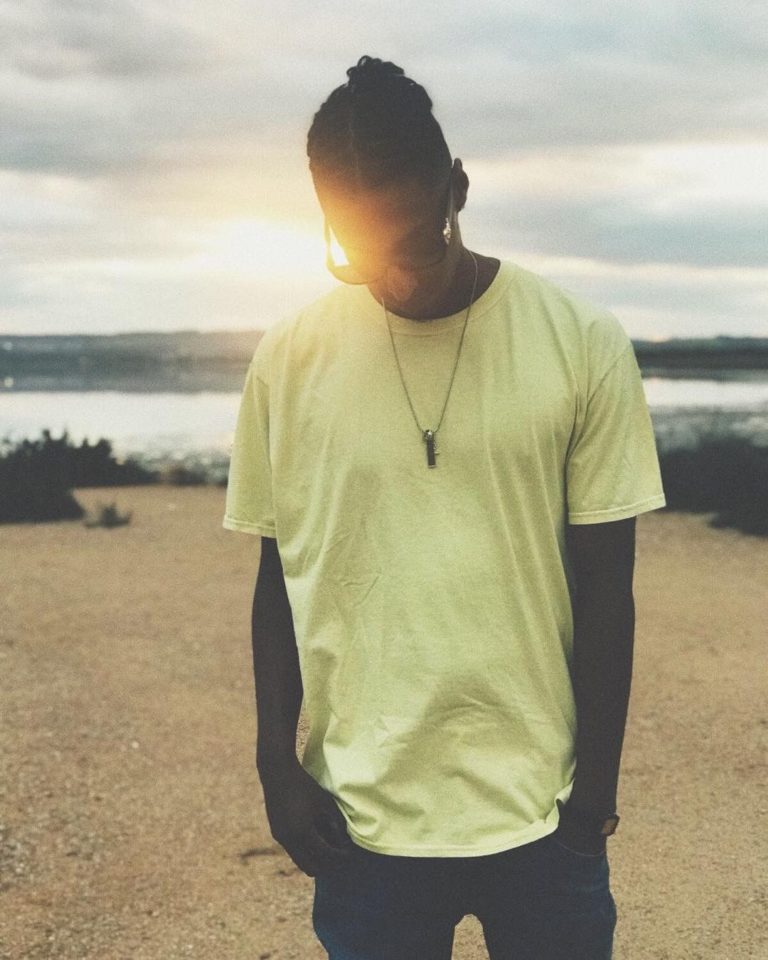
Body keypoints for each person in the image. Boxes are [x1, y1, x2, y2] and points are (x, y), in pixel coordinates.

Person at [223, 55, 666, 960]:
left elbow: (607, 593)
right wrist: (275, 764)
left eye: (415, 243)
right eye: (358, 253)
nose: (397, 276)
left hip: (541, 815)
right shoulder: (288, 359)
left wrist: (593, 805)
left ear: (457, 190)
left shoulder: (581, 342)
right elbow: (280, 575)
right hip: (362, 821)